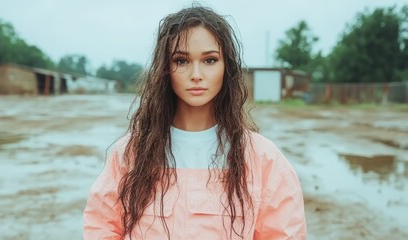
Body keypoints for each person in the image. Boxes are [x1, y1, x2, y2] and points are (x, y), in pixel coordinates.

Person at [83, 5, 306, 240]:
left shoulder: (262, 158)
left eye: (210, 60)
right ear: (164, 69)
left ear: (226, 67)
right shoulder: (130, 154)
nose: (196, 74)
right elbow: (101, 228)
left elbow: (284, 234)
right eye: (181, 60)